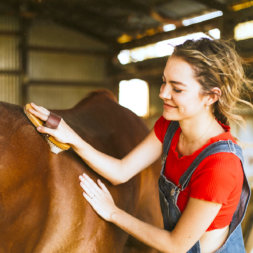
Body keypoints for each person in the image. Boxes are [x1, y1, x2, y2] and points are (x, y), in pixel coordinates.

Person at [28, 38, 252, 253]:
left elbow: (175, 245)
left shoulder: (220, 166)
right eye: (164, 81)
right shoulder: (170, 127)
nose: (163, 93)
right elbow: (121, 171)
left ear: (211, 97)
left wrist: (113, 213)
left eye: (177, 89)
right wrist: (72, 138)